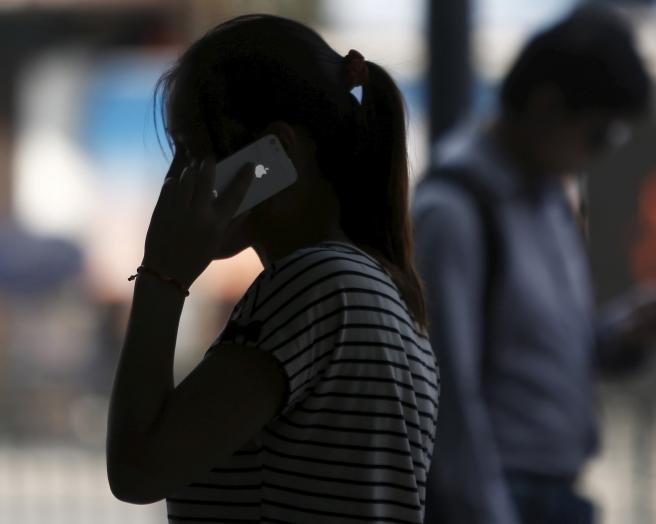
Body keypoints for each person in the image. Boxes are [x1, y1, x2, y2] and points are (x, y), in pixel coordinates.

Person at [106, 14, 439, 524]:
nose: (177, 181)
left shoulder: (315, 288)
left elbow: (136, 471)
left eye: (192, 150)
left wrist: (162, 276)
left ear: (273, 156)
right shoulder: (369, 289)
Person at [412, 6, 656, 524]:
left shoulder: (546, 199)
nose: (600, 154)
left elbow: (533, 354)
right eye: (600, 134)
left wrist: (618, 336)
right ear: (546, 105)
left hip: (551, 492)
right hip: (500, 497)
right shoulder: (456, 210)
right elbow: (449, 400)